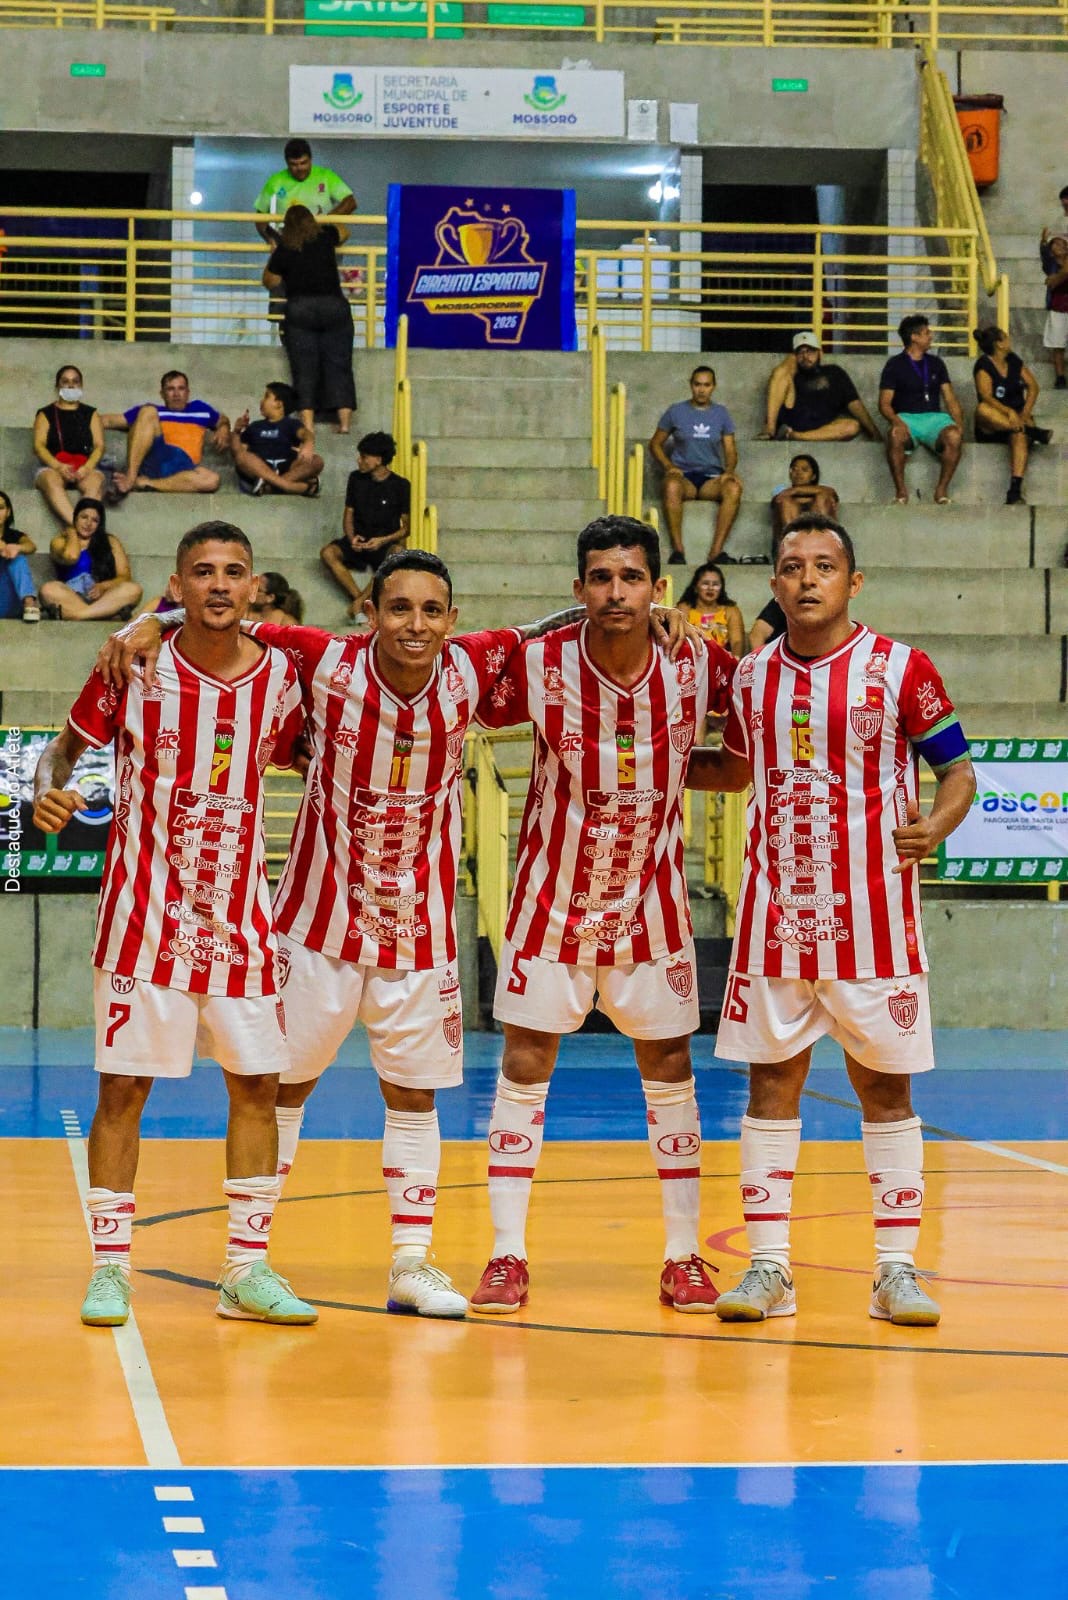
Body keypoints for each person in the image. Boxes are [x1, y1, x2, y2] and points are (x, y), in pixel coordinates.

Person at [94, 551, 677, 1320]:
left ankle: (410, 1261)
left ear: (452, 620)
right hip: (317, 926)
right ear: (369, 611)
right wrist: (150, 619)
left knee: (413, 1096)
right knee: (276, 1090)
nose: (415, 624)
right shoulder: (321, 660)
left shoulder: (473, 668)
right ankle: (250, 1264)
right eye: (398, 608)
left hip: (421, 932)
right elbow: (222, 614)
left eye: (432, 610)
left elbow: (554, 625)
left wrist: (653, 619)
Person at [688, 511, 976, 1328]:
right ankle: (771, 1271)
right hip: (775, 921)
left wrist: (941, 822)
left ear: (853, 582)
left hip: (875, 921)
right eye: (791, 566)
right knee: (770, 1086)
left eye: (823, 565)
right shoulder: (750, 680)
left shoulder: (899, 669)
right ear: (774, 585)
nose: (807, 578)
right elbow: (735, 770)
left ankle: (895, 1273)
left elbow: (956, 769)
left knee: (886, 1090)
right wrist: (643, 765)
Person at [33, 522, 316, 1329]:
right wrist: (48, 791)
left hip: (241, 923)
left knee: (257, 1086)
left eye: (234, 572)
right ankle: (111, 1270)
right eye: (203, 572)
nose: (220, 585)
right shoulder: (135, 665)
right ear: (177, 585)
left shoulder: (284, 683)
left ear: (254, 586)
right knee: (122, 1091)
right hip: (142, 919)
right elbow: (61, 756)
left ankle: (247, 1269)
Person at [469, 515, 736, 1317]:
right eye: (599, 578)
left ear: (657, 585)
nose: (615, 592)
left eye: (630, 578)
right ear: (577, 588)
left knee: (672, 1077)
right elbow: (453, 680)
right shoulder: (542, 663)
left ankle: (684, 1257)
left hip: (653, 908)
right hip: (549, 905)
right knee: (522, 1071)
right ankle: (507, 1254)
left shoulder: (697, 661)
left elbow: (769, 701)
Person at [263, 206, 356, 437]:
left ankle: (308, 426)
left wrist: (275, 253)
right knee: (340, 365)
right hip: (334, 306)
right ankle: (344, 425)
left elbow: (270, 281)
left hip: (300, 308)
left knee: (304, 368)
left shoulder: (285, 247)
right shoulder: (325, 237)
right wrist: (325, 223)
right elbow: (345, 231)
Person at [650, 366, 743, 565]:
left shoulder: (721, 414)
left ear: (713, 387)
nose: (701, 389)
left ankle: (716, 552)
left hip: (711, 479)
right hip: (684, 478)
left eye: (706, 385)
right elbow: (655, 444)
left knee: (734, 488)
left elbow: (730, 450)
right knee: (671, 486)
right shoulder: (676, 411)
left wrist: (728, 472)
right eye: (697, 384)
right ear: (691, 385)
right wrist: (668, 466)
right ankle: (678, 550)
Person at [323, 432, 410, 620]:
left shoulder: (401, 485)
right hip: (359, 539)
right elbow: (348, 513)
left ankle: (359, 604)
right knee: (328, 552)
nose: (359, 460)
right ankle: (361, 601)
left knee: (398, 552)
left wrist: (381, 541)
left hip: (382, 542)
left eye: (364, 457)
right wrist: (351, 536)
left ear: (378, 460)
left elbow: (405, 528)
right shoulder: (356, 479)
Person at [878, 315, 964, 506]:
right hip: (907, 418)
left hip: (935, 419)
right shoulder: (894, 365)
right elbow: (884, 403)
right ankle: (901, 492)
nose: (931, 336)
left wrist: (959, 424)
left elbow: (950, 398)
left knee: (954, 436)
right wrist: (896, 421)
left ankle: (941, 490)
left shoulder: (936, 363)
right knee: (895, 435)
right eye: (926, 333)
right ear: (914, 337)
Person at [102, 372, 230, 497]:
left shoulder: (201, 409)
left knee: (212, 480)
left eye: (181, 388)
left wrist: (224, 428)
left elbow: (222, 420)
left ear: (188, 392)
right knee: (148, 410)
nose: (176, 394)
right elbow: (108, 420)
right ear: (162, 394)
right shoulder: (154, 411)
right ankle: (131, 477)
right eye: (170, 389)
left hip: (183, 469)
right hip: (155, 458)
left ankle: (144, 483)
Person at [972, 326, 1051, 506]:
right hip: (994, 421)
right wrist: (1009, 412)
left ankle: (1014, 491)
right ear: (998, 344)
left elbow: (1033, 386)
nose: (1009, 341)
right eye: (1005, 338)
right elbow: (986, 396)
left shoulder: (1014, 360)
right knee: (982, 409)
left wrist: (1024, 412)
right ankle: (1032, 431)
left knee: (1019, 435)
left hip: (1017, 419)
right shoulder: (983, 365)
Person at [760, 332, 881, 443]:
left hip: (821, 428)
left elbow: (855, 404)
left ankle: (794, 436)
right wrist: (791, 359)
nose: (805, 356)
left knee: (853, 426)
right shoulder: (791, 372)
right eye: (800, 352)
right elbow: (781, 373)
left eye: (810, 351)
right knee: (782, 371)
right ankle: (770, 430)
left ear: (820, 353)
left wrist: (874, 432)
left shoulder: (834, 372)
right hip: (793, 418)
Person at [40, 499, 142, 621]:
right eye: (84, 517)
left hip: (103, 598)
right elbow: (71, 557)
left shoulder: (110, 541)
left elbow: (124, 577)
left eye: (95, 520)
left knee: (134, 589)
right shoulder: (60, 541)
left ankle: (79, 615)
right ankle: (103, 615)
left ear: (100, 524)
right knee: (47, 589)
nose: (88, 523)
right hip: (71, 596)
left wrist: (103, 586)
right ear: (75, 518)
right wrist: (72, 533)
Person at [33, 364, 106, 527]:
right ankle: (78, 527)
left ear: (81, 385)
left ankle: (84, 526)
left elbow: (99, 446)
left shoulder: (91, 413)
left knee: (96, 482)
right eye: (65, 382)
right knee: (51, 480)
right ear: (57, 386)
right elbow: (38, 446)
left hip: (84, 467)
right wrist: (58, 467)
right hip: (53, 466)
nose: (71, 385)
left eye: (75, 381)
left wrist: (87, 468)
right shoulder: (45, 413)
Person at [253, 138, 356, 247]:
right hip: (290, 243)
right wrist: (270, 239)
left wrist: (325, 221)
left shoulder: (326, 176)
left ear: (311, 160)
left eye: (303, 163)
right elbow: (260, 216)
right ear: (286, 163)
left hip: (321, 242)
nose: (300, 168)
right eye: (294, 164)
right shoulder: (275, 181)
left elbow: (350, 202)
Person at [230, 381, 324, 498]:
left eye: (266, 397)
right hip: (260, 470)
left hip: (286, 469)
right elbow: (237, 453)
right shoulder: (255, 426)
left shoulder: (292, 424)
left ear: (279, 404)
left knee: (317, 460)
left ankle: (269, 488)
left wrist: (308, 444)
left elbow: (306, 434)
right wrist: (237, 431)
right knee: (242, 456)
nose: (261, 401)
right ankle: (293, 487)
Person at [677, 562, 744, 658]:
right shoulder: (684, 609)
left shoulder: (731, 610)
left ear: (721, 588)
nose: (710, 588)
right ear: (696, 587)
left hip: (721, 663)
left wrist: (735, 659)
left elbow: (737, 642)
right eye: (705, 583)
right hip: (691, 660)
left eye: (715, 584)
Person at [770, 453, 841, 544]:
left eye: (804, 470)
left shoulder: (823, 492)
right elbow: (779, 498)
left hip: (820, 542)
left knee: (822, 498)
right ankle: (794, 542)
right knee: (786, 501)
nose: (798, 473)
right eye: (794, 469)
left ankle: (823, 541)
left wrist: (794, 492)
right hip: (789, 543)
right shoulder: (781, 489)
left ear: (813, 476)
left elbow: (831, 493)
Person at [0, 489, 40, 623]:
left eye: (1, 508)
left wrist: (16, 547)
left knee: (18, 559)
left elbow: (31, 546)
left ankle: (29, 603)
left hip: (7, 600)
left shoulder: (14, 535)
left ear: (8, 512)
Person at [1041, 234, 1068, 391]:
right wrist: (1043, 241)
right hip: (1058, 307)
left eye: (1063, 243)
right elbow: (1044, 256)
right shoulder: (1050, 264)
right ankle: (1060, 377)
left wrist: (1055, 279)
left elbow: (1054, 281)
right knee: (1058, 344)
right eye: (1056, 244)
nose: (1062, 245)